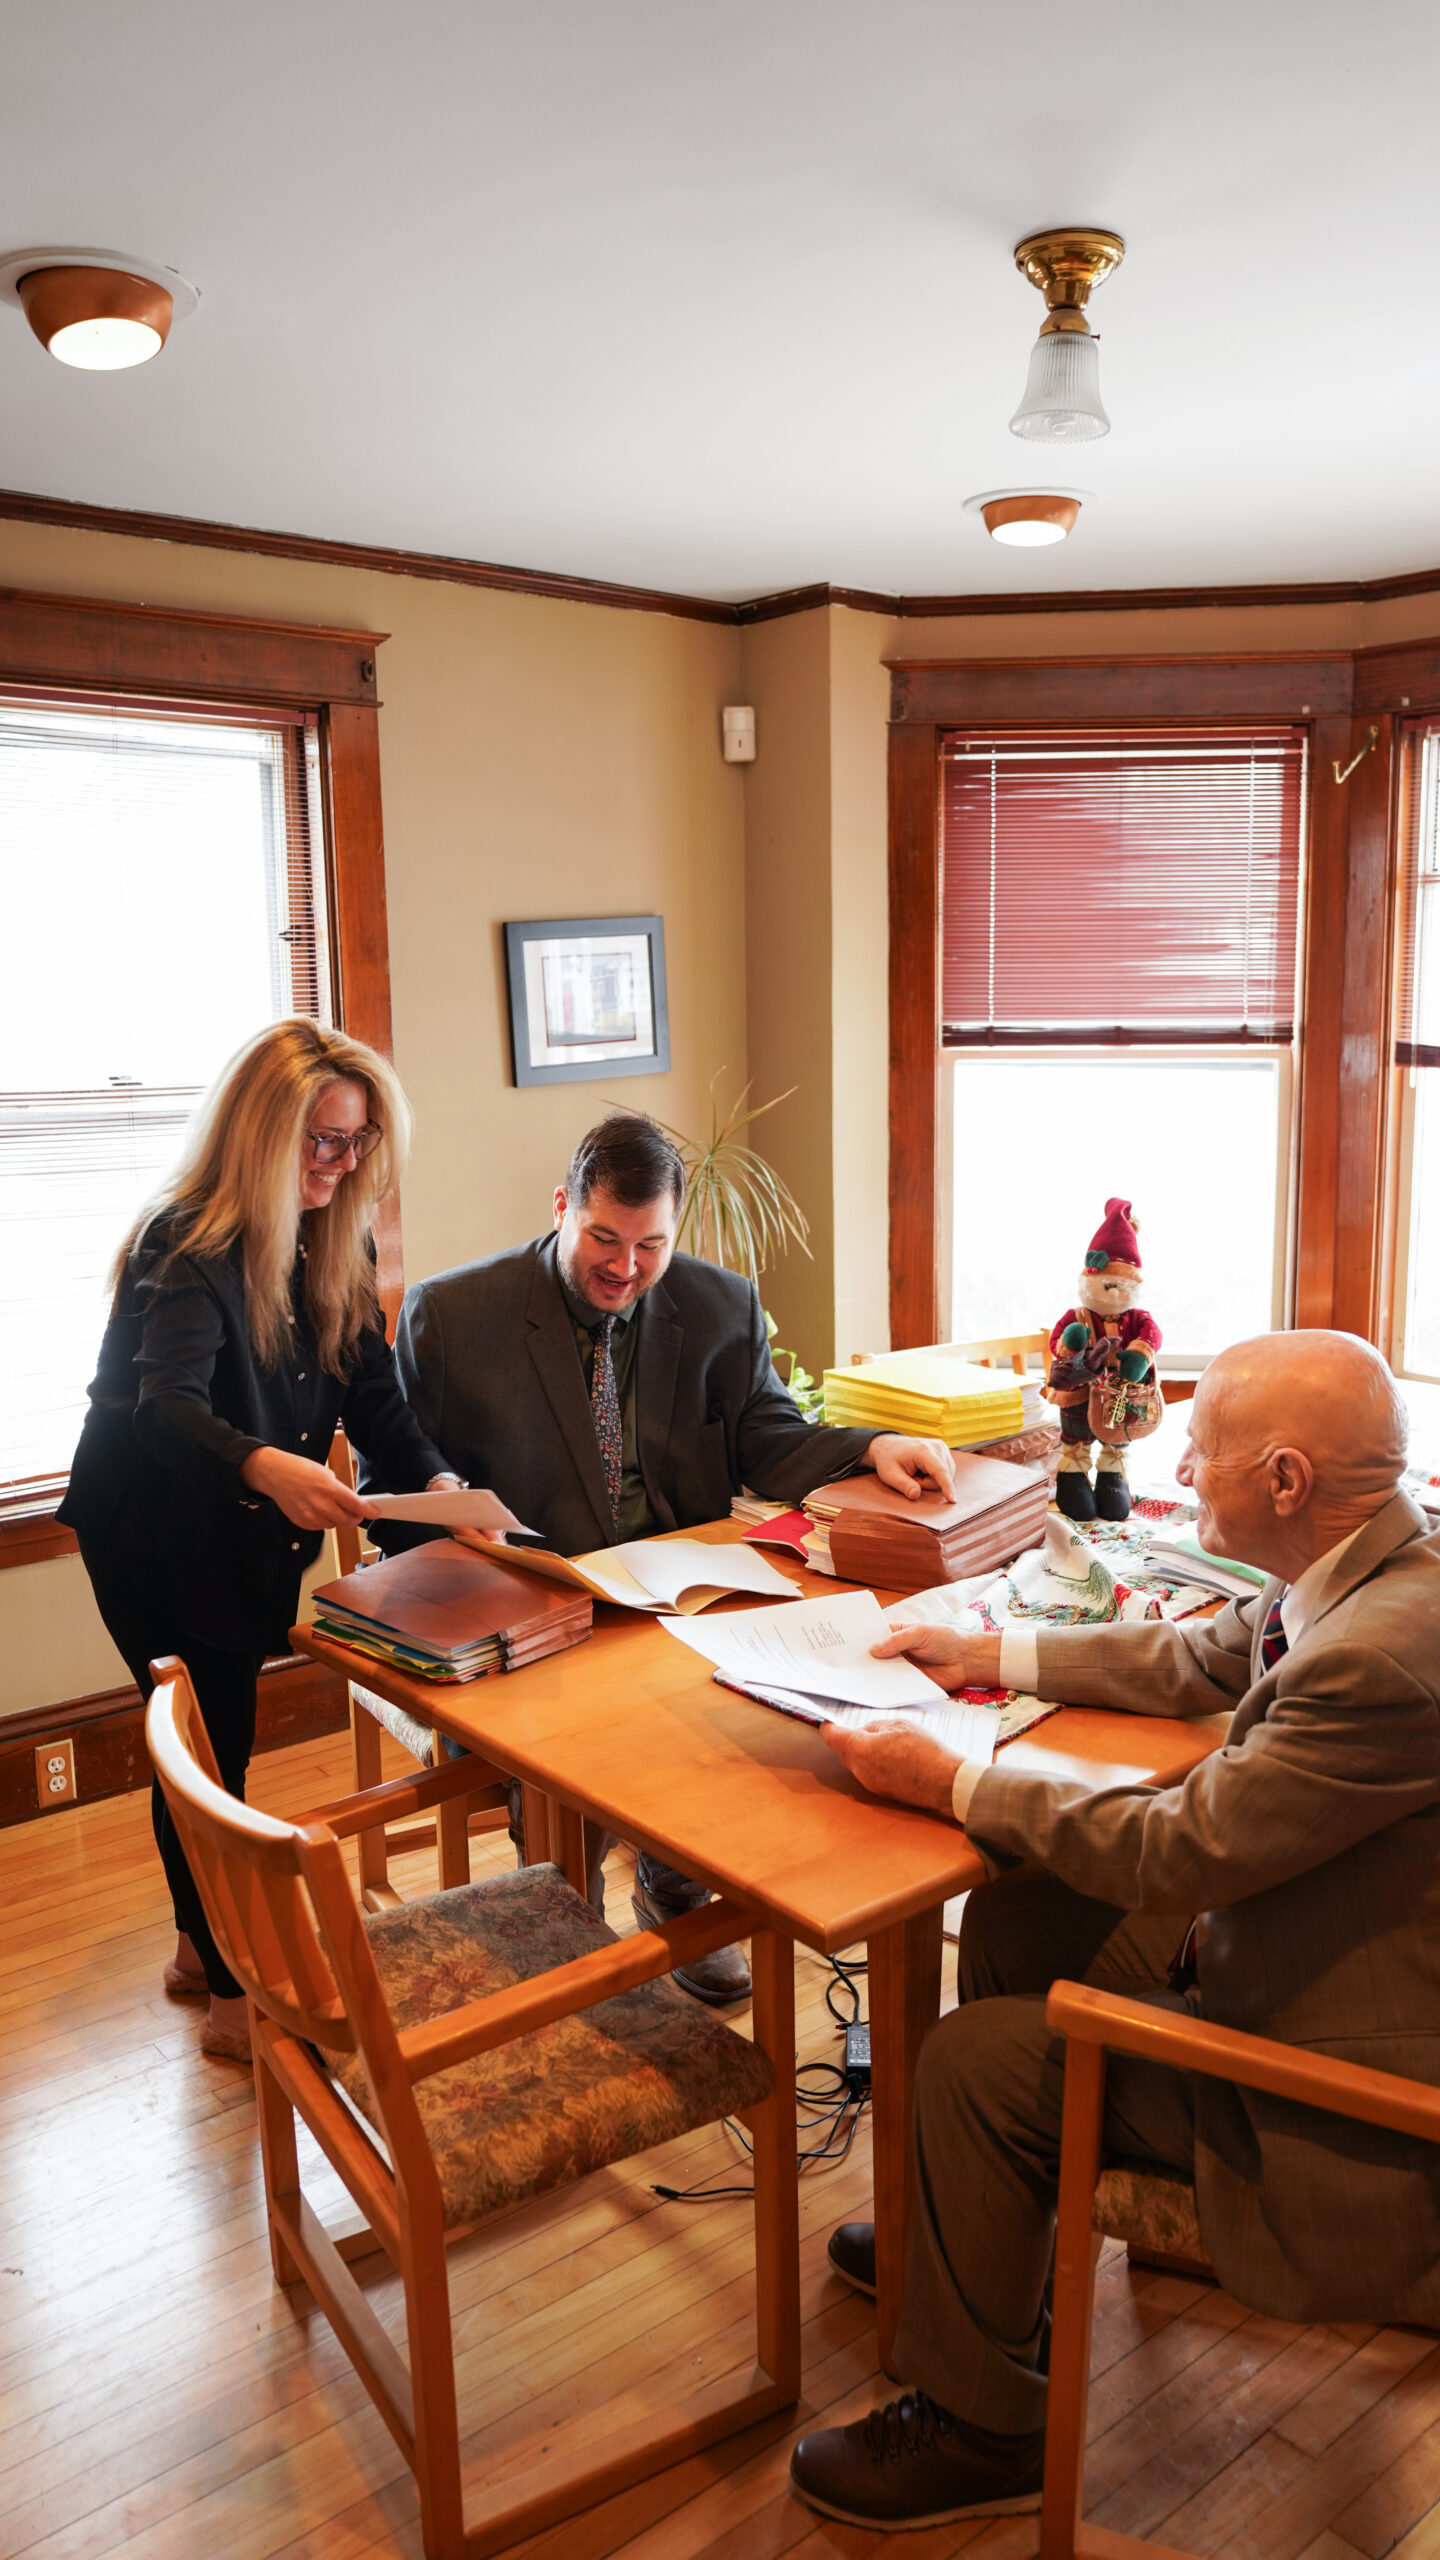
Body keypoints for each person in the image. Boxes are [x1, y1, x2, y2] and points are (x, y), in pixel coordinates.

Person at [787, 1331, 1440, 2532]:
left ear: (1286, 1480)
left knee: (977, 2064)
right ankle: (974, 2249)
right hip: (1308, 1960)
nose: (1182, 1463)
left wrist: (950, 1784)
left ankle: (987, 2429)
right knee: (1027, 1910)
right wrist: (981, 1650)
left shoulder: (1382, 1663)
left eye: (1207, 1444)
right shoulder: (1380, 1567)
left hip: (1350, 2107)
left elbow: (1173, 1848)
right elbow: (1198, 1652)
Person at [367, 1108, 957, 2001]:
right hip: (532, 1605)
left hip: (677, 1598)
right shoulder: (454, 1316)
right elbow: (395, 1474)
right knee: (566, 1761)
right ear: (562, 1205)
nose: (626, 1267)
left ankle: (676, 1878)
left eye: (651, 1246)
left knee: (751, 1717)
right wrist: (450, 1509)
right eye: (604, 1237)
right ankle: (567, 1917)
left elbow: (768, 1437)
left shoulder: (720, 1306)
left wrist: (872, 1446)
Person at [59, 1020, 461, 2064]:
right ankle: (236, 1992)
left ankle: (200, 1953)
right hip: (148, 1526)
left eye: (357, 1142)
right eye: (319, 1142)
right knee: (205, 1754)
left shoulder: (336, 1239)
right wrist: (265, 1465)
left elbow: (376, 1400)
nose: (340, 1164)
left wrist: (444, 1485)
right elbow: (165, 1411)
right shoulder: (184, 1242)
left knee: (212, 1739)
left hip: (239, 1524)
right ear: (260, 1135)